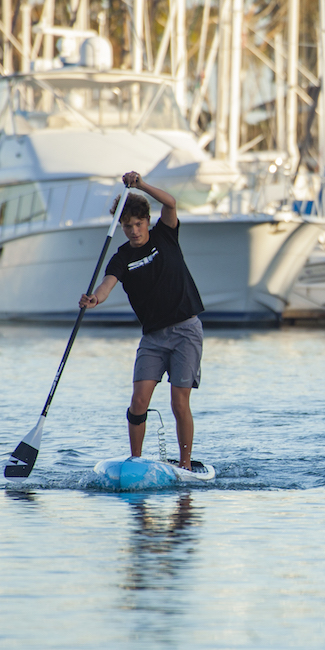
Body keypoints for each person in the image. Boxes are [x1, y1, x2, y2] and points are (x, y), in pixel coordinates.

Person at [79, 171, 206, 470]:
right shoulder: (121, 258)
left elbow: (172, 203)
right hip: (153, 339)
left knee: (179, 402)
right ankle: (135, 462)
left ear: (147, 221)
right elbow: (106, 286)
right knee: (138, 402)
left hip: (186, 330)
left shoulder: (165, 234)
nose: (134, 231)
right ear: (121, 227)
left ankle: (185, 465)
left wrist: (142, 186)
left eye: (138, 224)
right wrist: (94, 300)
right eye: (127, 226)